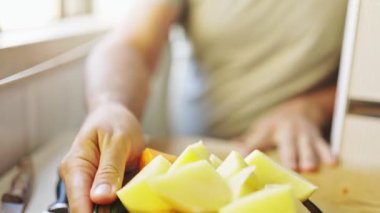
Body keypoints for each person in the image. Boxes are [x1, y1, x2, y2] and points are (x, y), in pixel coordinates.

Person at [60, 0, 347, 212]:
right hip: (197, 149)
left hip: (305, 156)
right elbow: (128, 44)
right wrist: (111, 106)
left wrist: (313, 106)